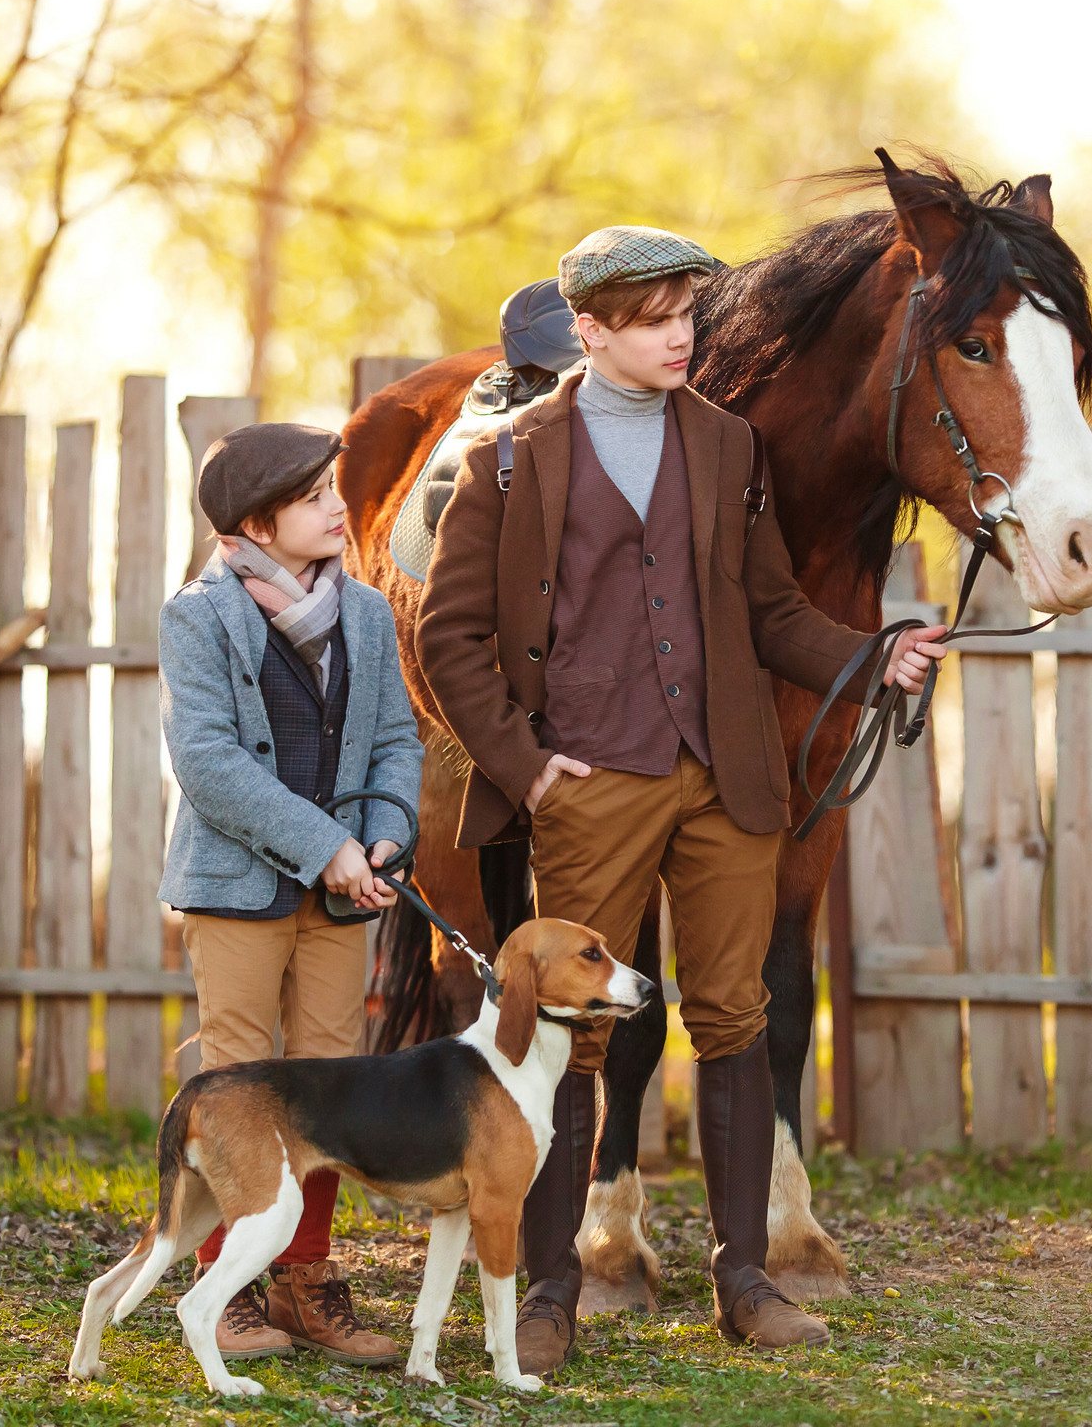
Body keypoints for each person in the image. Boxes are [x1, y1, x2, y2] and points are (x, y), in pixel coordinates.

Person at [415, 226, 947, 1373]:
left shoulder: (728, 447)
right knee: (578, 1035)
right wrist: (521, 762)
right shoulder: (511, 456)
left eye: (688, 316)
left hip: (722, 778)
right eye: (654, 319)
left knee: (737, 1022)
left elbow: (769, 613)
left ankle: (742, 1277)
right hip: (590, 782)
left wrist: (872, 656)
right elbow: (445, 635)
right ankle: (554, 1288)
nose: (680, 337)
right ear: (590, 330)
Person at [157, 421, 423, 1368]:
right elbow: (210, 765)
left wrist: (387, 832)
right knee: (238, 1088)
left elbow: (398, 738)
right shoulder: (197, 614)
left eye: (334, 491)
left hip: (347, 892)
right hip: (236, 888)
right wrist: (327, 848)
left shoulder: (364, 614)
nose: (338, 508)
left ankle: (305, 1285)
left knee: (330, 1086)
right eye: (315, 499)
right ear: (258, 524)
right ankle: (222, 1283)